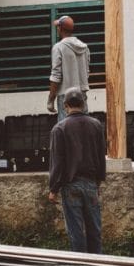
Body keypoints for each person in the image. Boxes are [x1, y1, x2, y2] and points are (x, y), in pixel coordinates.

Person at [47, 87, 106, 254]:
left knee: (76, 231)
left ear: (65, 105)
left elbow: (57, 162)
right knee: (94, 229)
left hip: (71, 185)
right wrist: (99, 182)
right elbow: (100, 156)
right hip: (91, 184)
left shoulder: (59, 129)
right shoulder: (96, 125)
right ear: (84, 103)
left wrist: (53, 189)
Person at [47, 16, 90, 121]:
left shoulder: (59, 47)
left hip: (65, 95)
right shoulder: (84, 48)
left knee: (65, 130)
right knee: (83, 127)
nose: (57, 29)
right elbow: (87, 72)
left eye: (58, 26)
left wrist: (50, 100)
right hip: (81, 94)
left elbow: (56, 77)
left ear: (60, 29)